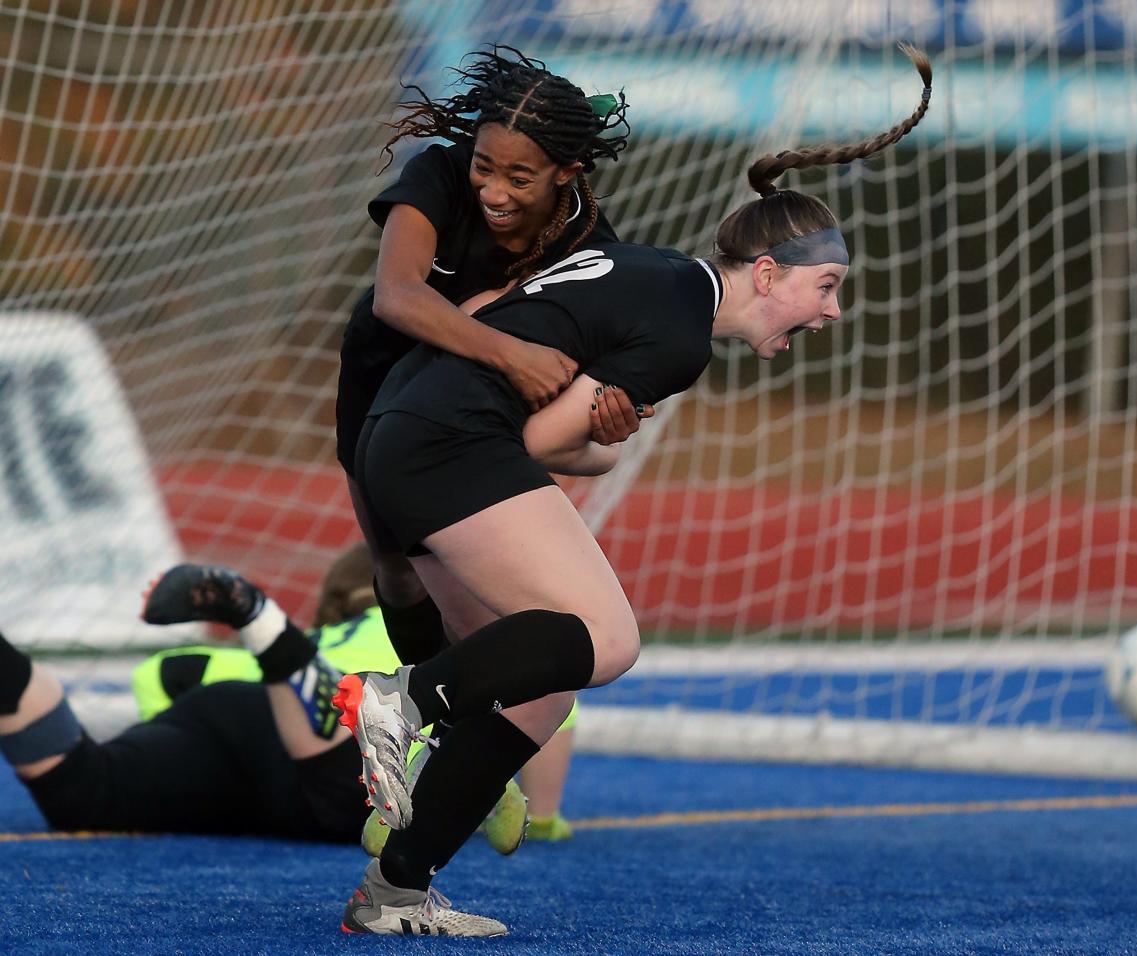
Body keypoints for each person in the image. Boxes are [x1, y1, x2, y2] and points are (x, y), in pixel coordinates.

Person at [333, 45, 934, 939]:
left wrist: (596, 431)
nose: (832, 311)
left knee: (541, 685)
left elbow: (567, 442)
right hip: (435, 435)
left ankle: (396, 889)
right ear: (765, 272)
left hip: (407, 431)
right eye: (826, 287)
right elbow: (535, 441)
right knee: (608, 640)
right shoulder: (680, 328)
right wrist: (569, 425)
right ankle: (406, 699)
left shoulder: (643, 269)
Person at [334, 45, 641, 844]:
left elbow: (585, 369)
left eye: (520, 177)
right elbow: (399, 298)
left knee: (504, 618)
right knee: (398, 572)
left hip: (473, 417)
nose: (494, 191)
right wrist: (508, 351)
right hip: (382, 389)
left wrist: (603, 413)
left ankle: (465, 769)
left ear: (568, 172)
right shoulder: (437, 176)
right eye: (486, 167)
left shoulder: (590, 241)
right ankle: (442, 753)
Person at [0, 547, 526, 852]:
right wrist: (543, 814)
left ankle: (265, 631)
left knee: (84, 792)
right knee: (360, 804)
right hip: (323, 740)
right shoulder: (444, 632)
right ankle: (256, 617)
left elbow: (163, 671)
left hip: (231, 716)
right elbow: (553, 710)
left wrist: (165, 741)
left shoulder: (333, 632)